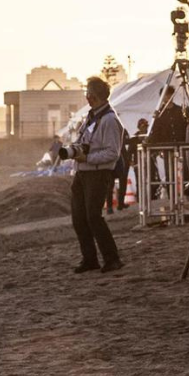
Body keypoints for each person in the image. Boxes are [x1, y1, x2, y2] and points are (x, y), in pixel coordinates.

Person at [70, 77, 125, 274]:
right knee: (79, 218)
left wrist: (88, 158)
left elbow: (112, 153)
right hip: (83, 172)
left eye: (88, 94)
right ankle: (90, 259)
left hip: (98, 173)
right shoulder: (91, 117)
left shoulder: (109, 119)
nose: (86, 97)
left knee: (93, 217)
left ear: (93, 96)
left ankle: (112, 258)